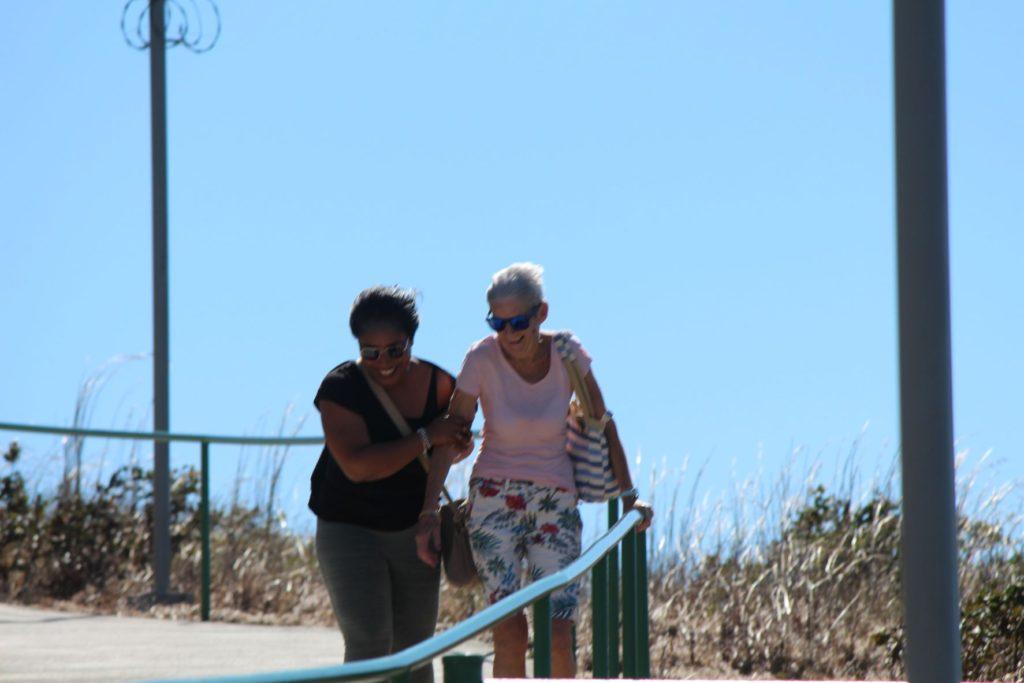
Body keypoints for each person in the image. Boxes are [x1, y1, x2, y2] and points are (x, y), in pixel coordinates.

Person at [415, 263, 653, 678]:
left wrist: (631, 496)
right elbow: (451, 435)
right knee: (511, 630)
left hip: (555, 498)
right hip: (493, 496)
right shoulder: (481, 357)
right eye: (498, 322)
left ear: (541, 314)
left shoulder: (566, 351)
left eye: (518, 321)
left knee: (558, 633)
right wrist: (429, 509)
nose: (508, 332)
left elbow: (602, 419)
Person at [309, 285, 471, 683]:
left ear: (410, 342)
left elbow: (445, 452)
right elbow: (358, 466)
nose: (384, 362)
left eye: (395, 350)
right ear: (358, 348)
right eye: (371, 352)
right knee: (368, 643)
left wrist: (432, 509)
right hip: (348, 529)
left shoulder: (442, 387)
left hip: (412, 528)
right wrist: (426, 437)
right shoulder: (340, 388)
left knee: (416, 651)